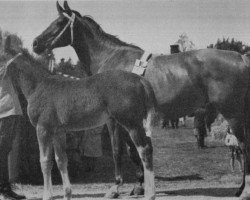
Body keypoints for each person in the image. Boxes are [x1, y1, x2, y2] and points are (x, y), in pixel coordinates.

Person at [0, 35, 26, 199]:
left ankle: (4, 187)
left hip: (7, 110)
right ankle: (4, 189)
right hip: (6, 110)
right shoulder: (5, 62)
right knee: (3, 150)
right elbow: (18, 58)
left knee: (4, 150)